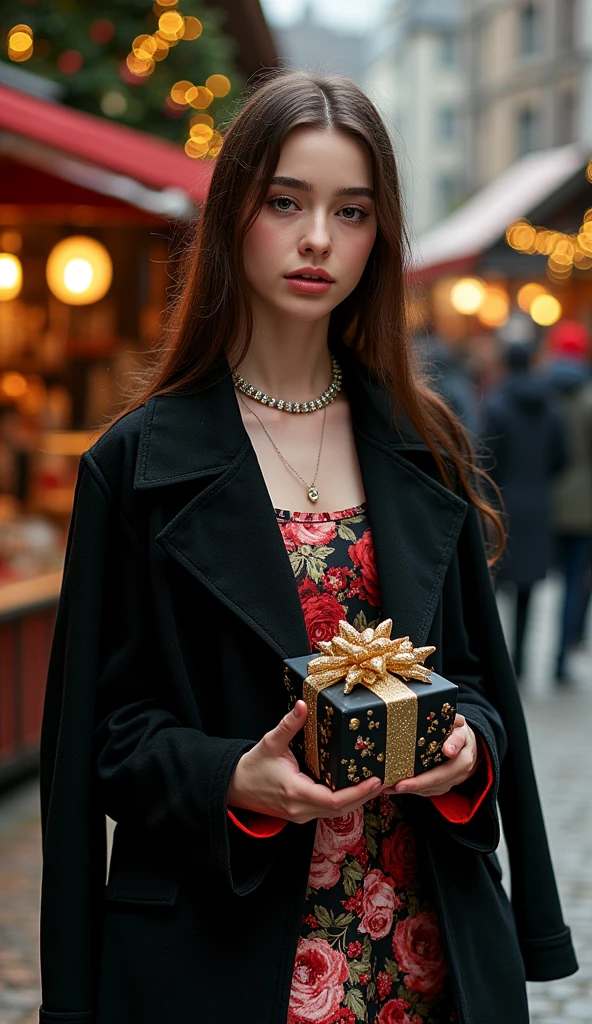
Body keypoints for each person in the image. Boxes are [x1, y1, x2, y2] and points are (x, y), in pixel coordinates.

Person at [38, 71, 577, 1024]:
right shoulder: (137, 464)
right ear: (234, 209)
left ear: (380, 234)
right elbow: (102, 739)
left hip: (422, 955)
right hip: (224, 950)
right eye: (286, 201)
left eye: (353, 211)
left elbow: (482, 689)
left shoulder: (426, 447)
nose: (319, 238)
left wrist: (464, 748)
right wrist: (229, 778)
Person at [482, 337, 569, 679]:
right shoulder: (551, 407)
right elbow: (563, 457)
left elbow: (485, 458)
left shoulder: (497, 404)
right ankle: (520, 663)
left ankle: (494, 663)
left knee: (492, 588)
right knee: (527, 591)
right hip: (539, 503)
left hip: (502, 505)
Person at [542, 319, 592, 681]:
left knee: (532, 584)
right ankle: (561, 658)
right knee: (575, 582)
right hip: (583, 507)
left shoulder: (541, 391)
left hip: (547, 500)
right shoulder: (589, 397)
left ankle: (520, 663)